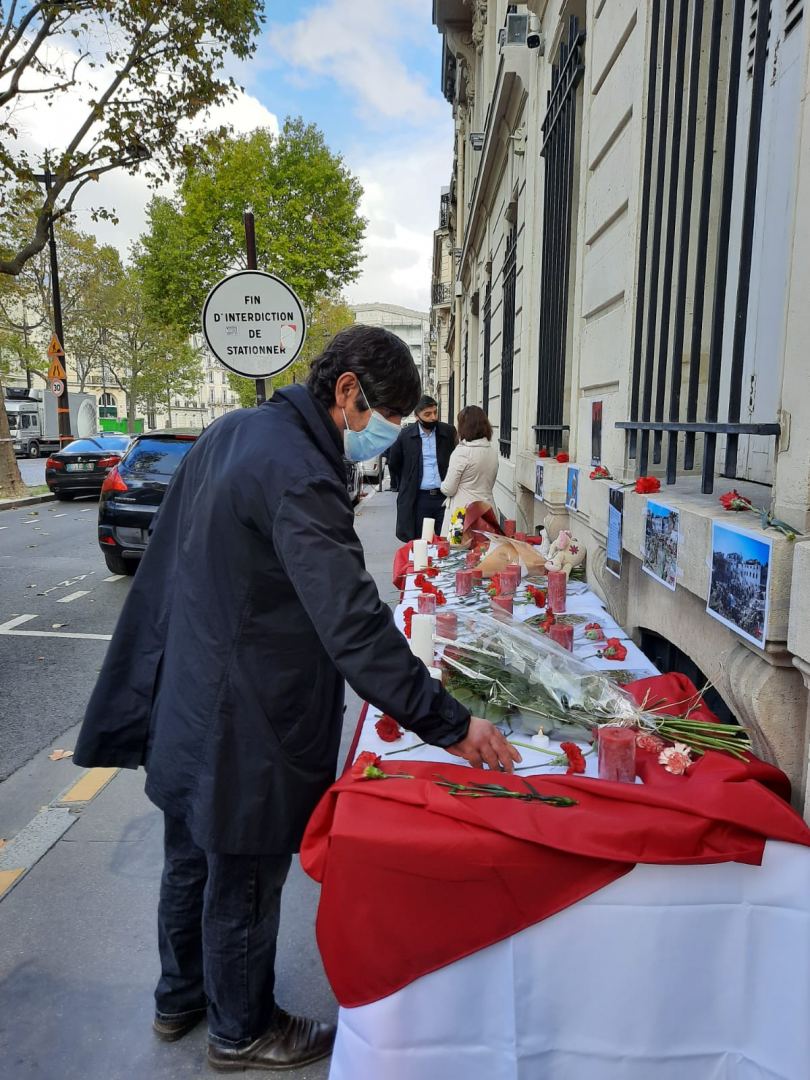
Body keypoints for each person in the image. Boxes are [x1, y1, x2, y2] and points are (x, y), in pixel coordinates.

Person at [72, 325, 519, 1074]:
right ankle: (241, 1027)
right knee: (241, 871)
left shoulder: (233, 432)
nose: (382, 439)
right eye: (384, 419)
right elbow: (351, 620)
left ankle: (180, 997)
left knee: (190, 851)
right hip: (244, 708)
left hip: (189, 684)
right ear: (347, 393)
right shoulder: (300, 472)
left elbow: (175, 555)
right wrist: (449, 723)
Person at [388, 394, 456, 542]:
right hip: (419, 499)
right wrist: (407, 482)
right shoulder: (405, 436)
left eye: (435, 412)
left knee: (445, 542)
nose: (433, 417)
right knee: (421, 543)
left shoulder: (448, 432)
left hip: (444, 498)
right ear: (417, 415)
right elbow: (394, 463)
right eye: (427, 414)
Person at [439, 405, 499, 537]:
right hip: (487, 511)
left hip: (460, 514)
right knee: (485, 552)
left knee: (457, 553)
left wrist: (441, 485)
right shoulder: (492, 452)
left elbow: (449, 488)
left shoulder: (461, 452)